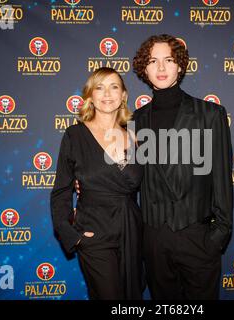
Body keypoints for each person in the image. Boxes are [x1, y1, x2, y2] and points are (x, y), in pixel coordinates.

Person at [132, 34, 233, 300]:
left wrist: (216, 238)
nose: (161, 68)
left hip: (197, 238)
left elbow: (222, 180)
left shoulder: (210, 115)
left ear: (180, 65)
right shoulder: (135, 120)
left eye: (169, 60)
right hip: (154, 242)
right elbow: (128, 181)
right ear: (144, 69)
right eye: (153, 61)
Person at [50, 67, 143, 300]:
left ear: (123, 95)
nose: (107, 94)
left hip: (131, 230)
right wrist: (72, 235)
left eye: (114, 87)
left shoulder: (135, 136)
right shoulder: (75, 135)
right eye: (99, 87)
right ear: (90, 96)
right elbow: (61, 191)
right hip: (94, 232)